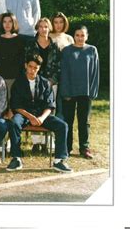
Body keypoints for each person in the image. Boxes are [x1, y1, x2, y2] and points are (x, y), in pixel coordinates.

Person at [6, 54, 72, 173]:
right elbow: (16, 105)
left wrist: (41, 118)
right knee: (14, 123)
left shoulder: (45, 83)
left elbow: (50, 105)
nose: (32, 70)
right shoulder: (18, 82)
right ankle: (16, 158)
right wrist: (30, 117)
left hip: (41, 114)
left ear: (39, 68)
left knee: (63, 125)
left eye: (35, 68)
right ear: (26, 66)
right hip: (24, 114)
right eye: (30, 67)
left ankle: (59, 160)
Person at [60, 25, 100, 159]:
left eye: (82, 35)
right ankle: (67, 147)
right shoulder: (67, 51)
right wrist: (65, 92)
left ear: (87, 36)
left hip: (85, 91)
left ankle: (84, 147)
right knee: (68, 121)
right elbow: (63, 73)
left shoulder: (92, 50)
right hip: (69, 92)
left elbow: (95, 72)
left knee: (84, 121)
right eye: (77, 35)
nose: (80, 38)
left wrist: (93, 91)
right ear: (73, 37)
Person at [24, 17, 61, 154]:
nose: (43, 29)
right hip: (34, 80)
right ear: (37, 28)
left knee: (49, 109)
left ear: (49, 28)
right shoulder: (30, 44)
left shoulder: (54, 45)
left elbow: (58, 65)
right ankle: (36, 143)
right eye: (40, 26)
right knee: (34, 108)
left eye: (46, 26)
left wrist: (52, 80)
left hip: (51, 83)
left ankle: (47, 143)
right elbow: (26, 62)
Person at [0, 12, 25, 105]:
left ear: (14, 23)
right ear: (1, 24)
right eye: (4, 22)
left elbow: (22, 60)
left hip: (15, 78)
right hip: (0, 77)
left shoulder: (20, 40)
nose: (7, 24)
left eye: (10, 21)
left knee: (13, 105)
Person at [49, 12, 75, 118]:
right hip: (51, 76)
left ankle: (61, 132)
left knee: (63, 107)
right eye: (56, 22)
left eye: (61, 22)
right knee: (50, 104)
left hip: (65, 76)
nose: (58, 25)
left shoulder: (69, 38)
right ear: (52, 23)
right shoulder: (48, 36)